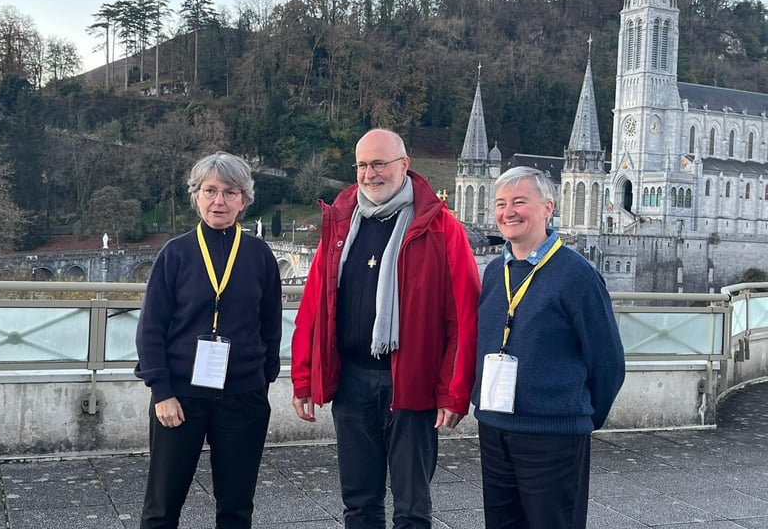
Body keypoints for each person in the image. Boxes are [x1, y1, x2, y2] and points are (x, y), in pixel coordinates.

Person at [291, 128, 481, 528]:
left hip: (413, 384)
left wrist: (453, 391)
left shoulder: (441, 227)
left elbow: (463, 317)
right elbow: (315, 307)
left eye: (379, 163)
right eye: (362, 165)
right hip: (353, 382)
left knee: (412, 507)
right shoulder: (341, 223)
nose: (369, 173)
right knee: (359, 504)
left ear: (404, 166)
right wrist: (304, 377)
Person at [472, 166, 625, 529]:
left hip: (552, 435)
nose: (508, 212)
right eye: (501, 203)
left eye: (520, 202)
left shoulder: (577, 275)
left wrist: (576, 415)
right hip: (495, 427)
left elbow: (608, 363)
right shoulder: (495, 271)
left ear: (548, 208)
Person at [135, 151, 282, 529]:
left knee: (236, 507)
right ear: (196, 195)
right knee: (162, 506)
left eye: (230, 192)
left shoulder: (259, 255)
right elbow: (151, 328)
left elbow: (270, 324)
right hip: (180, 397)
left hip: (242, 398)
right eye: (210, 190)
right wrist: (162, 391)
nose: (219, 201)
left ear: (244, 200)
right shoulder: (176, 253)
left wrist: (260, 382)